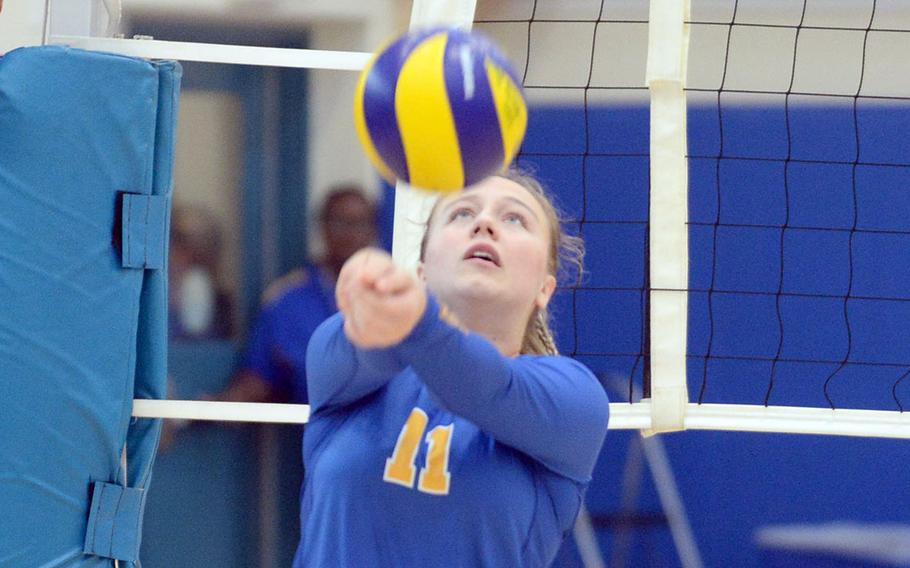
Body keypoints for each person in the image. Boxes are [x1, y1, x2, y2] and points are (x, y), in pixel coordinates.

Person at [295, 171, 610, 567]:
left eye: (515, 219)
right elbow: (372, 346)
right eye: (461, 213)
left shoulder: (573, 399)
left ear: (544, 289)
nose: (484, 223)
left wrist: (417, 319)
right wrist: (379, 297)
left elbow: (485, 389)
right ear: (422, 270)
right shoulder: (344, 351)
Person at [211, 184, 379, 404]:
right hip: (317, 431)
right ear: (323, 227)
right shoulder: (287, 301)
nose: (350, 233)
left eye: (359, 223)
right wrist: (206, 409)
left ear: (373, 230)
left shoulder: (394, 295)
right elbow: (258, 380)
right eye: (339, 223)